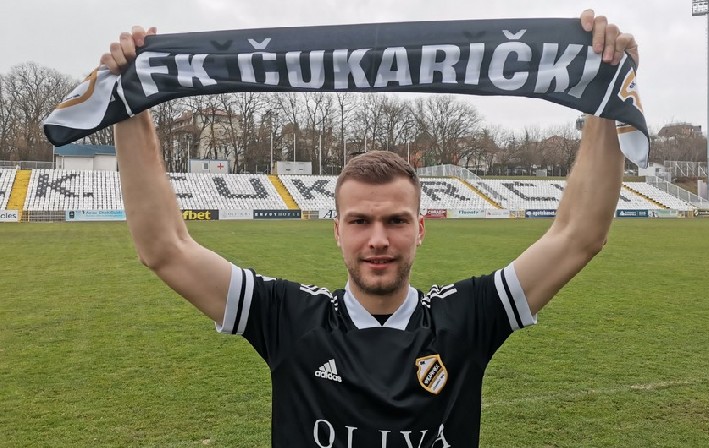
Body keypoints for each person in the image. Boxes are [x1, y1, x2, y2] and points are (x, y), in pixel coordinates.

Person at [103, 9, 638, 447]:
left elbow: (578, 235)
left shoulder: (466, 318)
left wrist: (603, 96)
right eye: (359, 221)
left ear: (420, 228)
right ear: (337, 231)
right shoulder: (288, 318)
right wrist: (131, 107)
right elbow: (165, 248)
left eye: (396, 221)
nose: (378, 239)